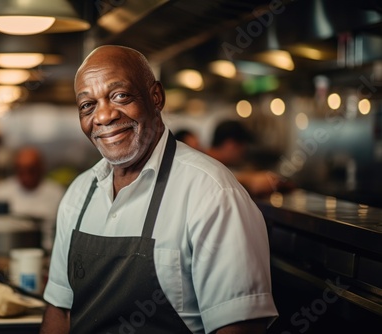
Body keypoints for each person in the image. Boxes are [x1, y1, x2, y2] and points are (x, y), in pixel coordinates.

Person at [39, 45, 278, 333]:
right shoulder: (79, 194)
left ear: (156, 97)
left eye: (120, 96)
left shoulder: (212, 193)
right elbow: (60, 312)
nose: (103, 117)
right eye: (88, 105)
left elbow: (239, 329)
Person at [0, 146, 66, 254]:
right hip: (8, 249)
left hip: (47, 251)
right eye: (21, 170)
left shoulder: (58, 193)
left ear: (41, 168)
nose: (26, 176)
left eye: (31, 170)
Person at [207, 120, 292, 197]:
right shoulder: (206, 164)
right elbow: (212, 180)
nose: (244, 151)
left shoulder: (222, 165)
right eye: (243, 146)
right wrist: (250, 181)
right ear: (230, 145)